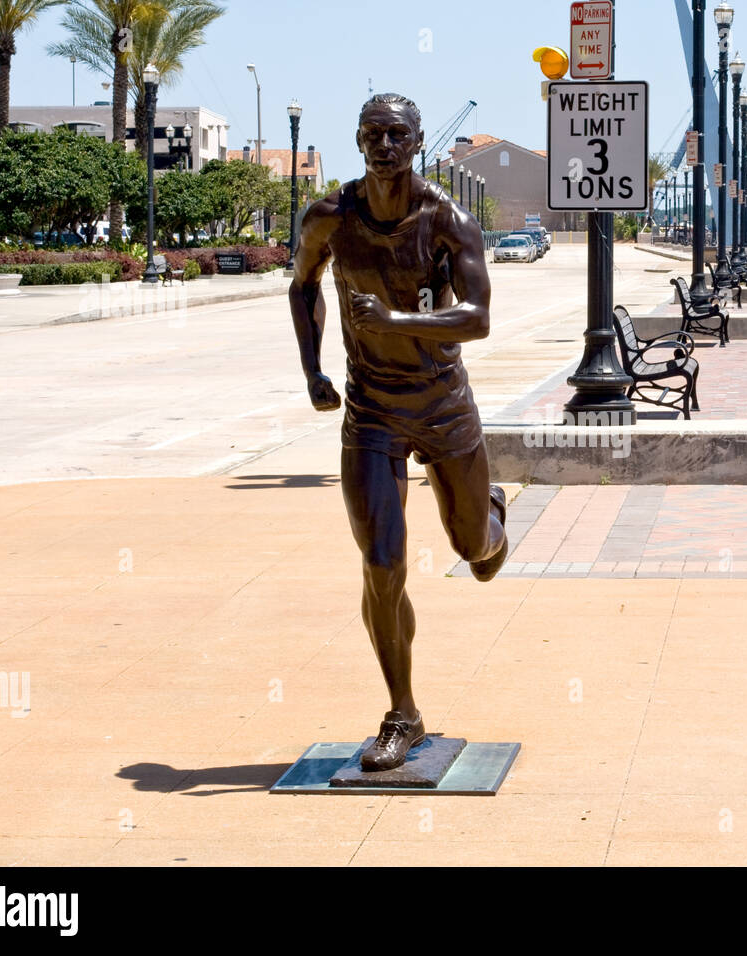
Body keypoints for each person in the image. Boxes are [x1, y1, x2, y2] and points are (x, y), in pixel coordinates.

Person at [288, 93, 508, 772]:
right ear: (358, 141)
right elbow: (301, 286)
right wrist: (313, 372)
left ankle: (489, 512)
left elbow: (477, 319)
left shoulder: (449, 220)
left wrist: (393, 322)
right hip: (372, 411)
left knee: (479, 556)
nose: (383, 145)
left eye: (395, 135)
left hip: (444, 406)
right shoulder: (329, 216)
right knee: (382, 564)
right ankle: (402, 715)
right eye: (371, 134)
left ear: (416, 143)